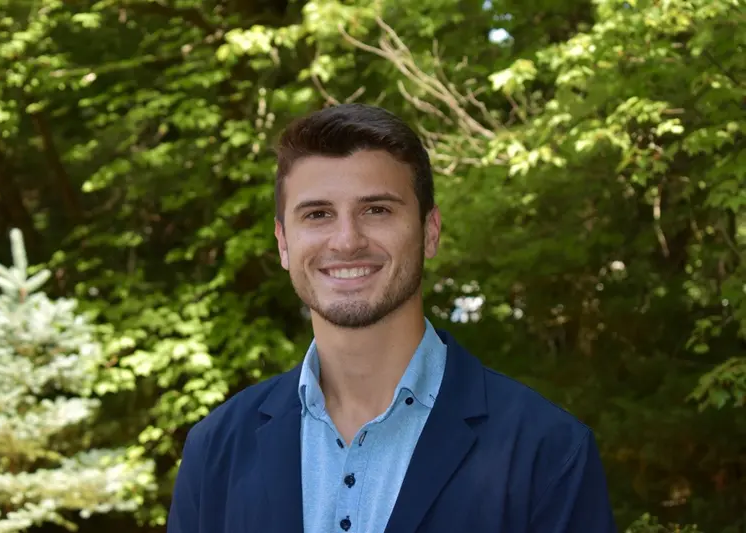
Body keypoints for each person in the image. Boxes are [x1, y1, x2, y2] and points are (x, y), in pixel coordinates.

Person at [167, 103, 617, 533]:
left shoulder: (546, 449)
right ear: (284, 243)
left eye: (377, 210)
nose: (346, 241)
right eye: (318, 214)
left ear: (430, 232)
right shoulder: (216, 451)